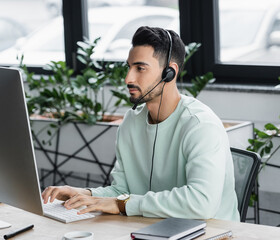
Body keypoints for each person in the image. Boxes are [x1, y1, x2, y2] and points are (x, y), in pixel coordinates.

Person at [42, 26, 240, 221]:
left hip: (211, 233)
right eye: (129, 67)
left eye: (140, 68)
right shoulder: (131, 122)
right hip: (155, 229)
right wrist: (83, 194)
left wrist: (122, 204)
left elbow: (201, 203)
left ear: (169, 72)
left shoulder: (200, 125)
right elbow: (122, 191)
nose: (128, 78)